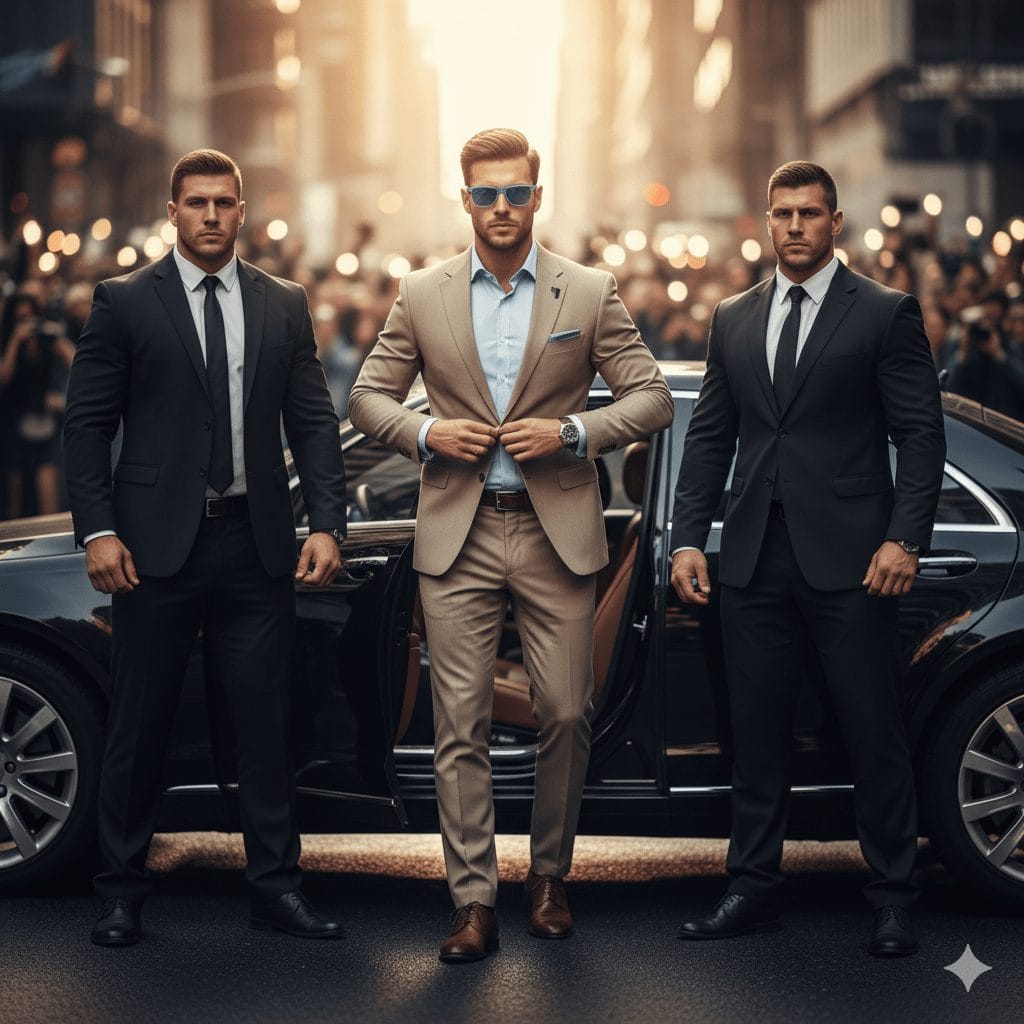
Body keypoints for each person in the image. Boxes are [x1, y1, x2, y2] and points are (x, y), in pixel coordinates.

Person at [348, 128, 673, 963]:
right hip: (457, 529)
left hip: (554, 529)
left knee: (567, 711)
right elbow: (367, 399)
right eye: (485, 194)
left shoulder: (588, 291)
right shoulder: (421, 293)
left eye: (515, 193)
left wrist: (572, 430)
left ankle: (551, 877)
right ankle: (472, 900)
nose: (501, 207)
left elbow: (651, 399)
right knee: (459, 725)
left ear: (538, 195)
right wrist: (426, 435)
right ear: (465, 199)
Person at [63, 149, 348, 947]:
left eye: (225, 203)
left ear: (243, 210)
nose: (212, 216)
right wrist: (99, 529)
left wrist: (326, 521)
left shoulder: (283, 303)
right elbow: (87, 426)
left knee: (264, 727)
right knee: (139, 726)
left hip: (255, 546)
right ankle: (121, 893)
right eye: (198, 203)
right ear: (174, 211)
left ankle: (275, 890)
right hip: (152, 552)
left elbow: (314, 422)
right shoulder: (124, 302)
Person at [669, 161, 945, 958]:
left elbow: (920, 435)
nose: (795, 226)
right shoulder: (732, 317)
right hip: (753, 558)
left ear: (835, 223)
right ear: (766, 220)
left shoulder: (884, 313)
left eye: (810, 214)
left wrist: (906, 539)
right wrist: (690, 536)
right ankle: (752, 887)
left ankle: (893, 896)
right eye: (783, 213)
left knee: (872, 733)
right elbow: (711, 439)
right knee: (755, 737)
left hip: (855, 562)